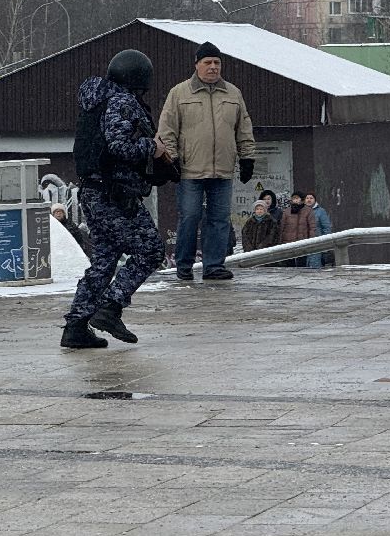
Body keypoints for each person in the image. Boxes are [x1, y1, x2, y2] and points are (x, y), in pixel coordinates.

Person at [62, 49, 170, 350]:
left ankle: (76, 327)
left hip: (93, 192)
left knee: (104, 260)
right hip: (115, 194)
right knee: (150, 250)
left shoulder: (95, 101)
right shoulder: (121, 101)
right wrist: (153, 147)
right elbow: (120, 146)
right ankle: (110, 308)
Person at [157, 41, 255, 281]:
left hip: (222, 169)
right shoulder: (179, 93)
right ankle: (184, 266)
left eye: (217, 62)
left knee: (219, 220)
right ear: (197, 65)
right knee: (190, 217)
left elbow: (243, 128)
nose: (213, 67)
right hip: (189, 169)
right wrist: (172, 159)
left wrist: (247, 157)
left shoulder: (233, 93)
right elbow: (167, 130)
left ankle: (214, 266)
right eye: (208, 62)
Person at [277, 189, 315, 263]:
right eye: (294, 198)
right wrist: (280, 242)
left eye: (297, 198)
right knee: (289, 264)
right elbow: (282, 227)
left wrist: (311, 241)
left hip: (302, 242)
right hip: (288, 242)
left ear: (302, 200)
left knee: (301, 264)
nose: (295, 200)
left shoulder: (308, 211)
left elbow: (312, 227)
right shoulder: (287, 211)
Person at [304, 191, 332, 269]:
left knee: (315, 265)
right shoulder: (301, 211)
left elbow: (326, 228)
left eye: (311, 198)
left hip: (316, 243)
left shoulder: (321, 211)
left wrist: (325, 243)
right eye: (307, 198)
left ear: (315, 200)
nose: (309, 200)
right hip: (303, 242)